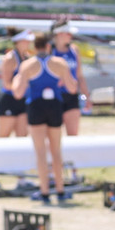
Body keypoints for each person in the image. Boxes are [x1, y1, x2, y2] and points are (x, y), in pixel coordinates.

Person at [12, 33, 77, 203]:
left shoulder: (28, 65)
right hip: (54, 106)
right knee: (56, 151)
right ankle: (60, 190)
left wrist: (17, 81)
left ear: (35, 47)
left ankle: (45, 191)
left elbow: (18, 93)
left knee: (40, 152)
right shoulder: (59, 64)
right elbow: (72, 88)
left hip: (36, 106)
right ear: (49, 46)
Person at [50, 23, 90, 135]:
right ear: (58, 34)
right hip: (54, 96)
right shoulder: (50, 51)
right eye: (68, 33)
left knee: (73, 135)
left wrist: (86, 96)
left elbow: (79, 75)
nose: (70, 36)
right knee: (54, 135)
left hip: (71, 95)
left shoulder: (74, 50)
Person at [0, 31, 32, 137]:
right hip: (9, 100)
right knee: (4, 137)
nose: (28, 42)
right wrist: (19, 88)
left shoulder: (27, 57)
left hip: (23, 100)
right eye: (26, 40)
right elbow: (7, 83)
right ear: (18, 41)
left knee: (22, 137)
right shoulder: (10, 58)